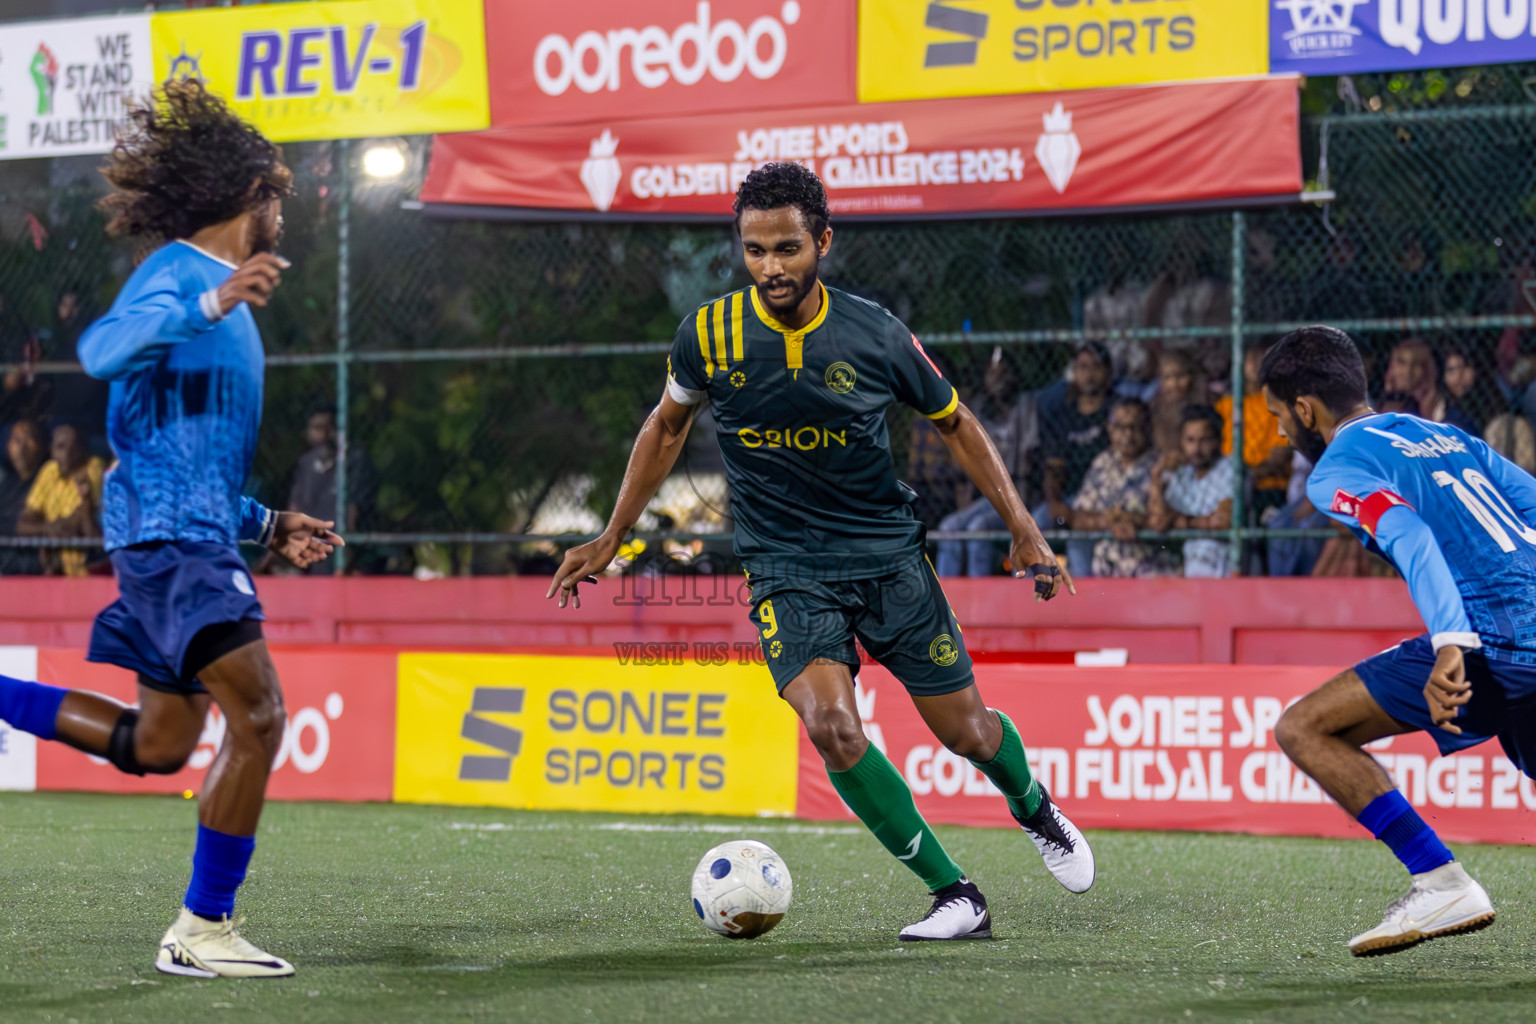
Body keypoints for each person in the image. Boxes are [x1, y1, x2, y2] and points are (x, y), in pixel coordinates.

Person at [548, 162, 1094, 942]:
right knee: (833, 728)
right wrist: (611, 535)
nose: (771, 267)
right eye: (756, 250)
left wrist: (1024, 529)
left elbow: (957, 423)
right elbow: (665, 428)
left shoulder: (874, 334)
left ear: (824, 243)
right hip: (785, 569)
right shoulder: (707, 335)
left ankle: (1035, 810)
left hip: (889, 561)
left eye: (788, 248)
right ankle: (955, 893)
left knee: (968, 733)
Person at [0, 82, 341, 979]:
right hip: (174, 549)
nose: (283, 213)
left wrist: (267, 522)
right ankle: (202, 927)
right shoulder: (182, 276)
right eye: (277, 196)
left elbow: (187, 460)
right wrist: (209, 302)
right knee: (260, 715)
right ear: (248, 199)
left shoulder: (223, 300)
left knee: (155, 747)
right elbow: (102, 352)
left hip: (188, 536)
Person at [1262, 324, 1536, 956]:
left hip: (1488, 641)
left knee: (1304, 728)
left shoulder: (1336, 470)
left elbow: (1408, 535)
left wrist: (1452, 644)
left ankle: (1441, 882)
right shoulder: (1444, 434)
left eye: (1279, 417)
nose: (1280, 431)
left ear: (1305, 410)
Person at [936, 347, 1039, 577]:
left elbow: (1027, 459)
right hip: (987, 496)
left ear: (1013, 375)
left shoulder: (1025, 406)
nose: (997, 378)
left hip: (1016, 495)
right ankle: (946, 602)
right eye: (992, 373)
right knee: (948, 528)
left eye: (1003, 372)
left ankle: (978, 602)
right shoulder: (981, 409)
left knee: (977, 529)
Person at [1038, 343, 1114, 577]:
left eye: (1095, 367)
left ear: (1108, 372)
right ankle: (1026, 600)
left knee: (1078, 540)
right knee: (1031, 526)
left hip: (1106, 496)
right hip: (1070, 496)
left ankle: (1084, 602)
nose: (1089, 374)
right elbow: (1053, 467)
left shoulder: (1116, 410)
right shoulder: (1064, 413)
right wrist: (1055, 503)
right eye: (1082, 367)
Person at [1066, 399, 1164, 578]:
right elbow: (1078, 516)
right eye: (1120, 428)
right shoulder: (1102, 463)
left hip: (1150, 569)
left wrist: (1135, 520)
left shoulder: (1162, 465)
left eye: (1135, 427)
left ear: (1148, 429)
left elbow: (1169, 520)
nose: (1127, 435)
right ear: (1109, 430)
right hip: (1106, 570)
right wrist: (1107, 521)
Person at [285, 404, 376, 574]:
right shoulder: (305, 464)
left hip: (338, 550)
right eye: (318, 428)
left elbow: (352, 513)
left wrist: (346, 558)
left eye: (330, 428)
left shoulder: (354, 461)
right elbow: (294, 510)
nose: (324, 435)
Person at [1148, 405, 1234, 578]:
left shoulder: (1232, 468)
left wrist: (1181, 521)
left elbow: (1223, 521)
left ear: (1220, 439)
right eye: (1190, 440)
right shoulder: (1182, 474)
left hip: (1224, 566)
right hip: (1190, 568)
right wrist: (1156, 477)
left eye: (1205, 440)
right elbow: (1159, 522)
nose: (1196, 449)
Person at [16, 422, 105, 576]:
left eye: (73, 448)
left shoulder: (93, 467)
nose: (67, 454)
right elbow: (22, 525)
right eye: (61, 447)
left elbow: (82, 519)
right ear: (51, 450)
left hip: (88, 569)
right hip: (56, 570)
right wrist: (48, 529)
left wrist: (52, 531)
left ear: (82, 451)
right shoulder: (49, 471)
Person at [1216, 341, 1291, 518]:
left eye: (1263, 358)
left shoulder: (1282, 405)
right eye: (1250, 358)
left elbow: (1279, 458)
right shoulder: (1224, 406)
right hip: (1225, 486)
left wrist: (1246, 476)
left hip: (1268, 486)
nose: (1256, 363)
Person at [1383, 337, 1477, 434]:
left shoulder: (1456, 419)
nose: (1395, 371)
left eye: (1401, 362)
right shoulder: (1402, 410)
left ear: (1429, 369)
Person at [0, 420, 46, 575]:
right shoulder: (6, 484)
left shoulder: (47, 479)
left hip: (33, 559)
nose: (22, 446)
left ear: (41, 445)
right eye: (16, 440)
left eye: (29, 438)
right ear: (7, 447)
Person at [1149, 350, 1208, 461]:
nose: (1174, 384)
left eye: (1181, 376)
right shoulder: (1154, 406)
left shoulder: (1207, 402)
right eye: (1167, 378)